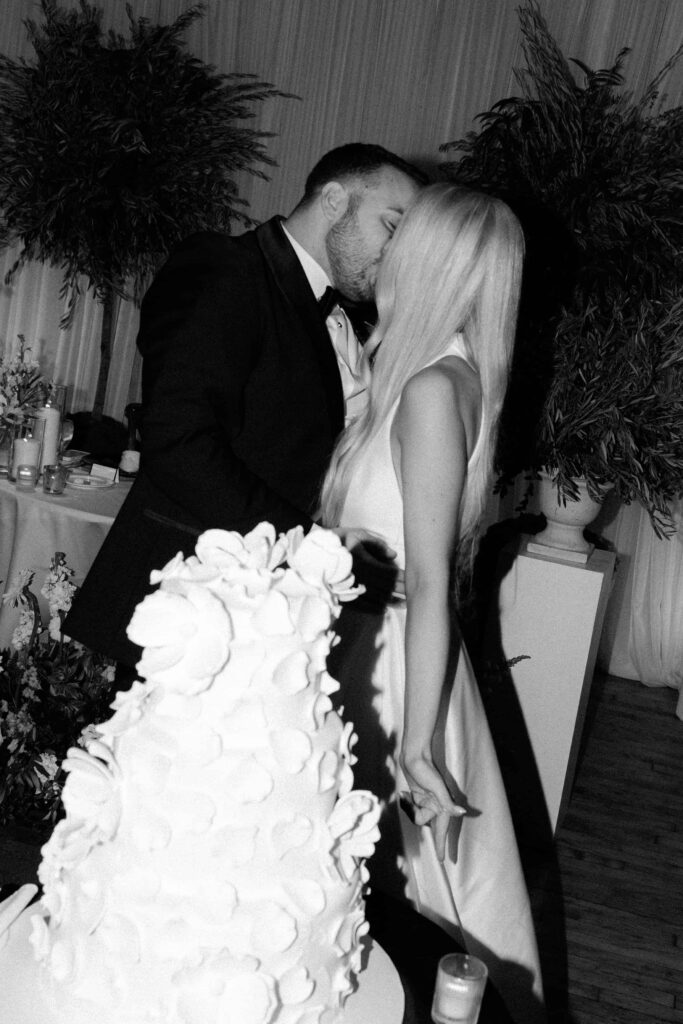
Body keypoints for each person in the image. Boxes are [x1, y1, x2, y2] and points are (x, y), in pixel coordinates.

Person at [63, 143, 425, 671]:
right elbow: (178, 441)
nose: (398, 254)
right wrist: (309, 545)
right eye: (392, 227)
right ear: (333, 199)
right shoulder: (223, 268)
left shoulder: (352, 319)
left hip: (272, 607)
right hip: (196, 598)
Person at [320, 184, 545, 1024]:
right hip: (370, 650)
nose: (383, 254)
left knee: (397, 912)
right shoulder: (438, 375)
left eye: (400, 238)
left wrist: (414, 745)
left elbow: (429, 584)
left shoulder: (430, 388)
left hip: (390, 671)